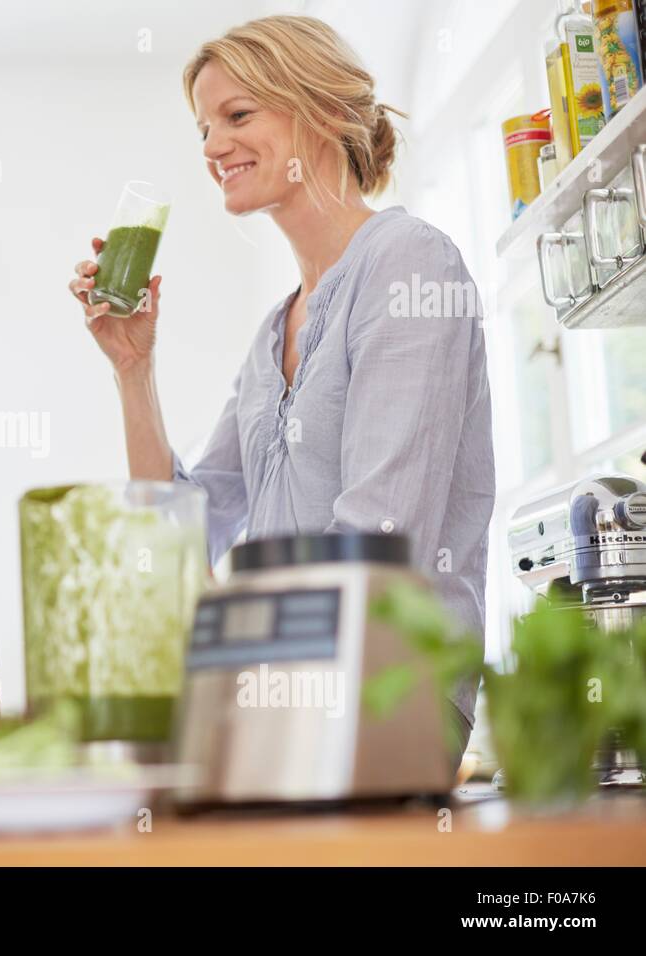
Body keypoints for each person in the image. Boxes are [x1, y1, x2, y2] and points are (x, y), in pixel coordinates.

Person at [67, 15, 493, 768]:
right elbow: (182, 531)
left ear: (325, 109)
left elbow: (376, 548)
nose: (211, 148)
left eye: (237, 116)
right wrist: (132, 368)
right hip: (274, 691)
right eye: (203, 128)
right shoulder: (276, 330)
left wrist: (216, 642)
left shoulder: (410, 265)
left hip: (387, 699)